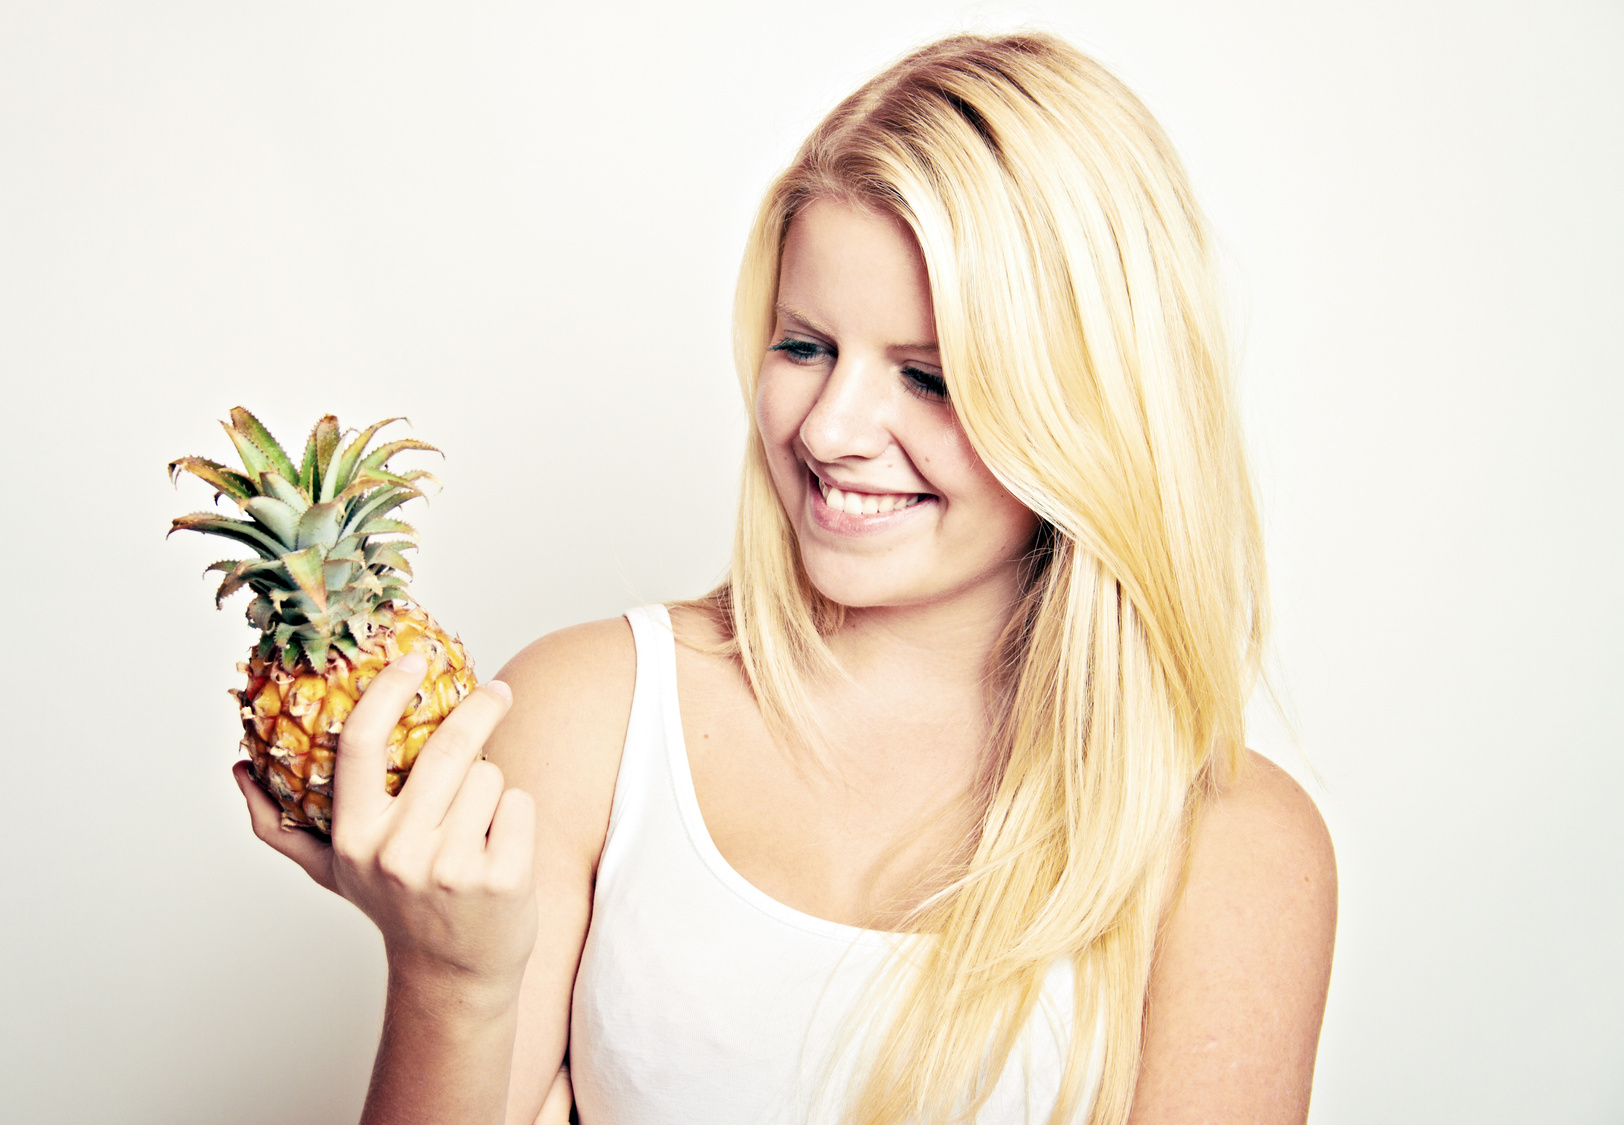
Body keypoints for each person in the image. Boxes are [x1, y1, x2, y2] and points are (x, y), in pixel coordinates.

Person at [235, 31, 1337, 1125]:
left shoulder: (1235, 850)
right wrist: (451, 981)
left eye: (927, 377)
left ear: (1091, 410)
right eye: (803, 346)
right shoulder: (588, 719)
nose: (829, 428)